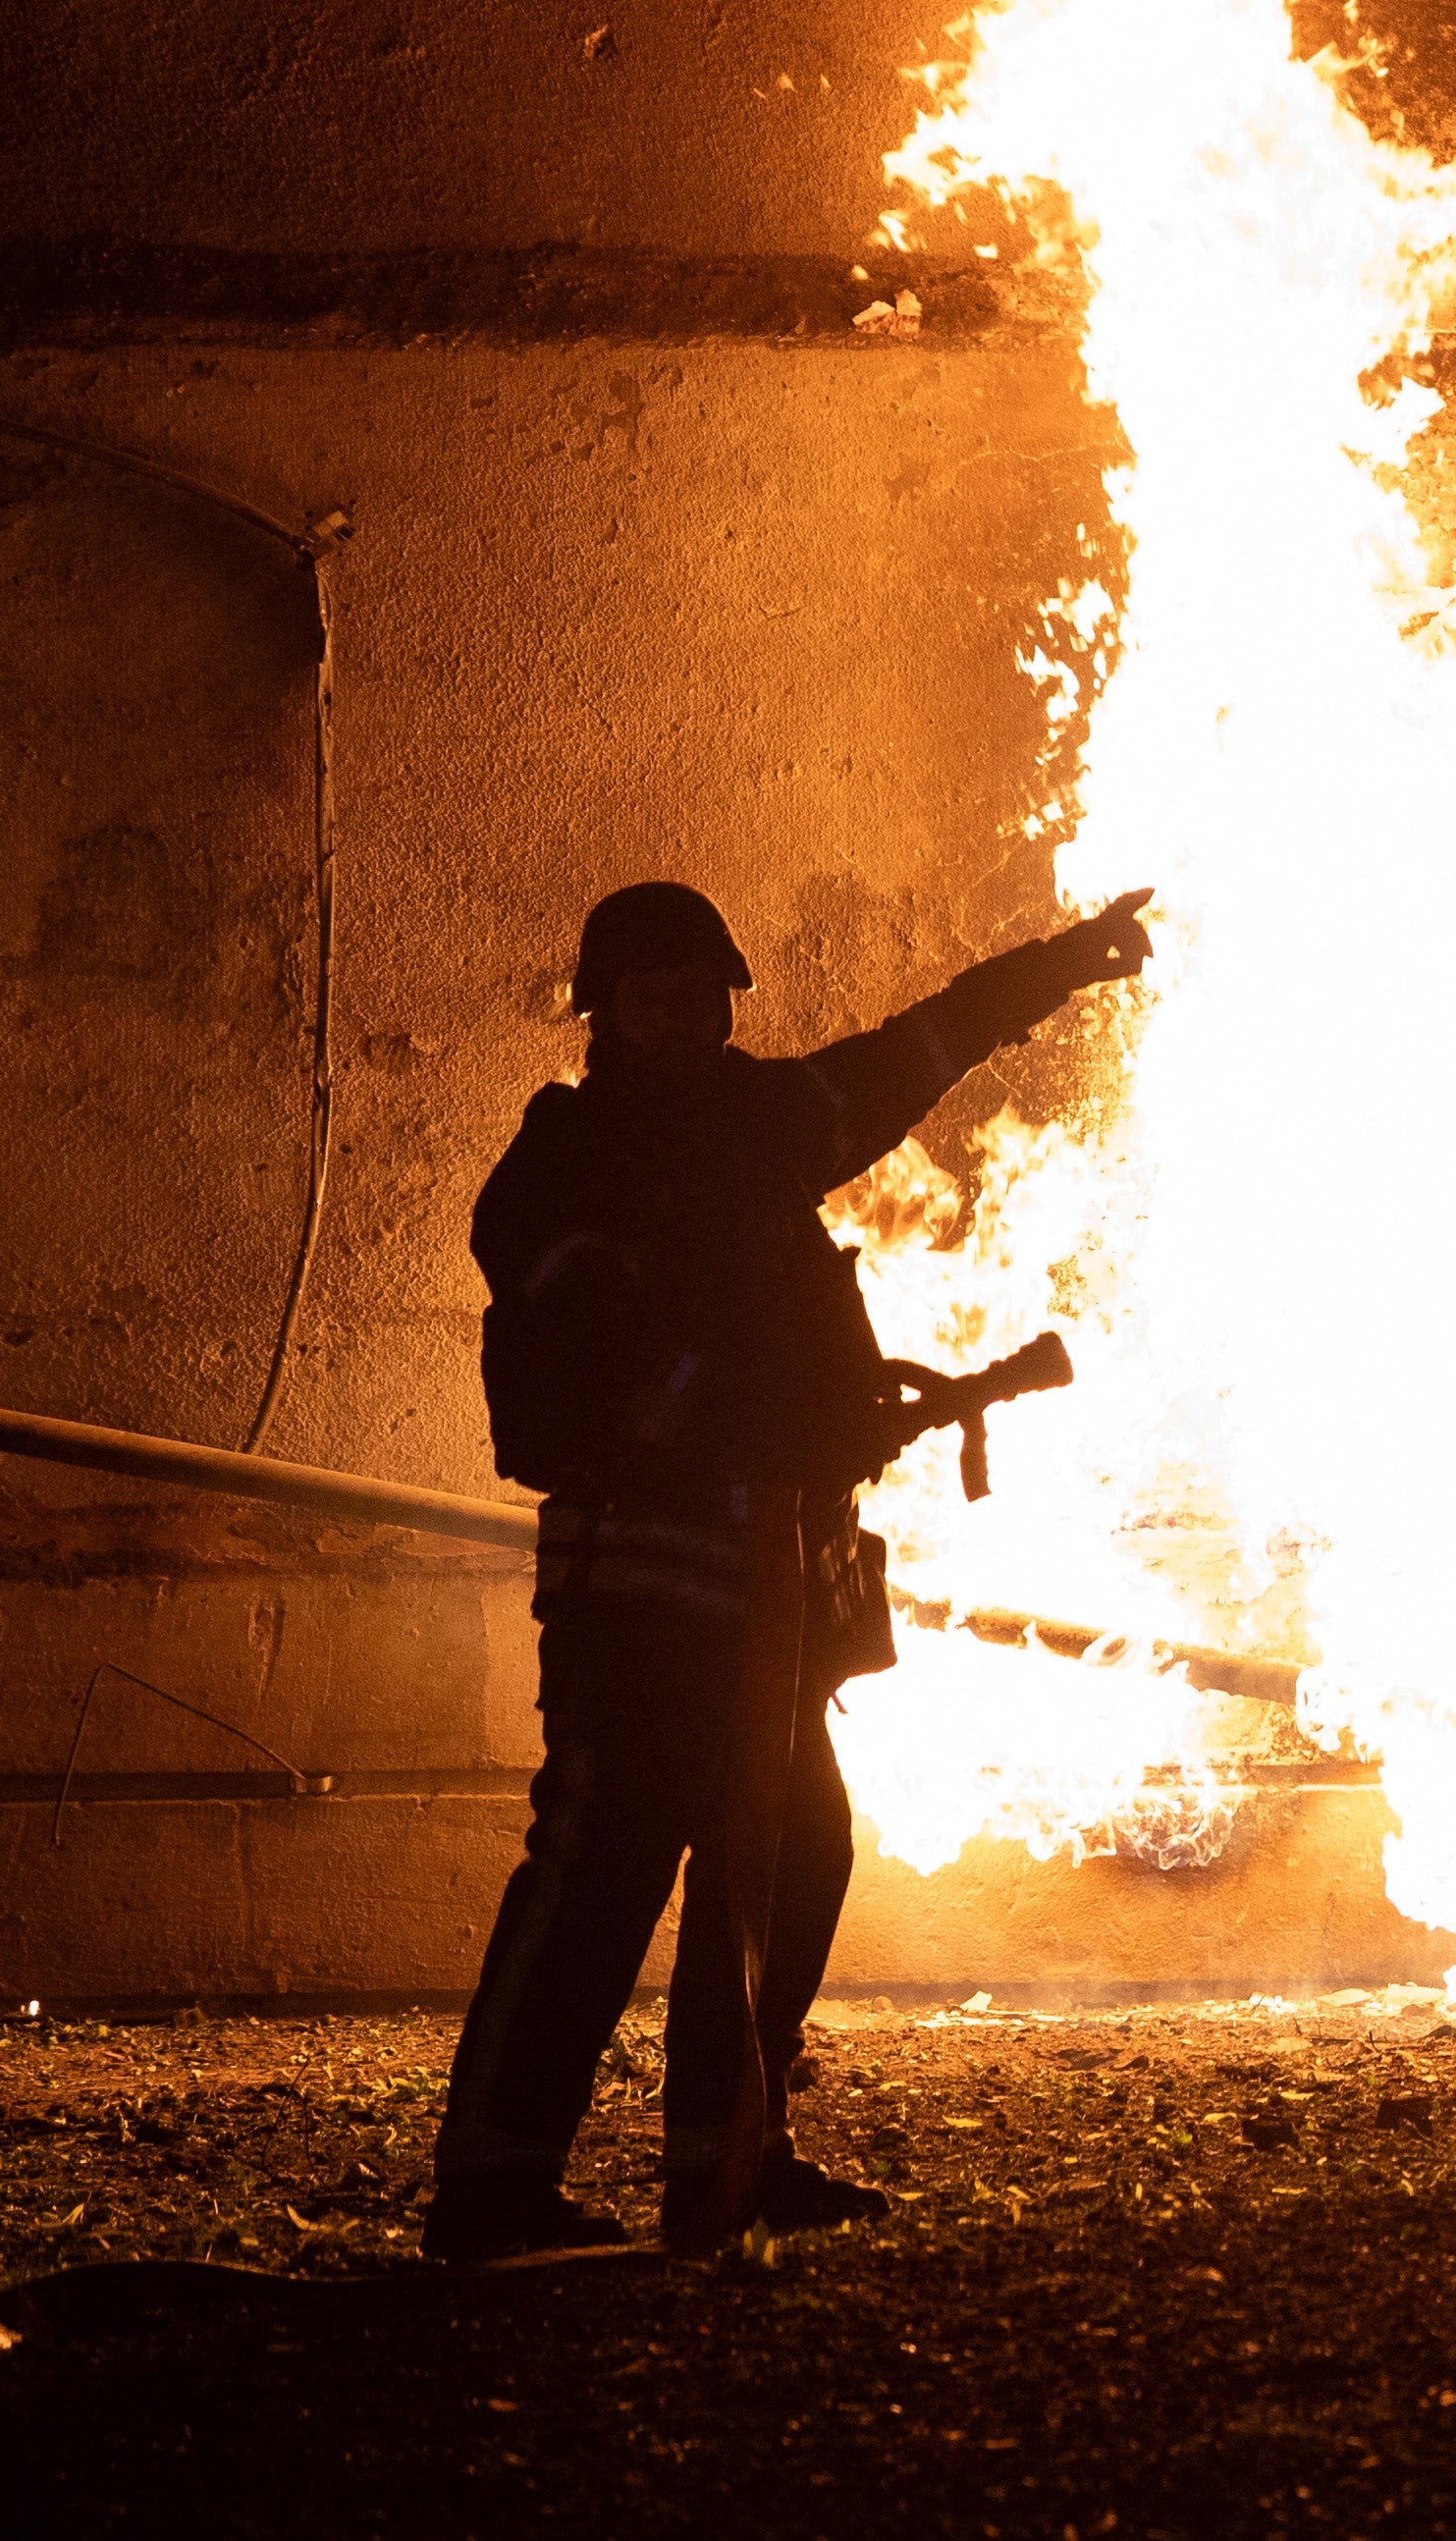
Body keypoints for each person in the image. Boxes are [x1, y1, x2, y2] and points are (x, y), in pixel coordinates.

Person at [425, 876, 1151, 2263]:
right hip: (639, 1576)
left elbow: (919, 1049)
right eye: (650, 999)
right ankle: (491, 2190)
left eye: (699, 994)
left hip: (766, 1568)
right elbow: (574, 1324)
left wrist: (1057, 966)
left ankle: (729, 2159)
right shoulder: (564, 1167)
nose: (679, 1019)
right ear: (606, 1018)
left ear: (726, 999)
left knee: (792, 1848)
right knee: (601, 1861)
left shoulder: (765, 1128)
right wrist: (722, 1393)